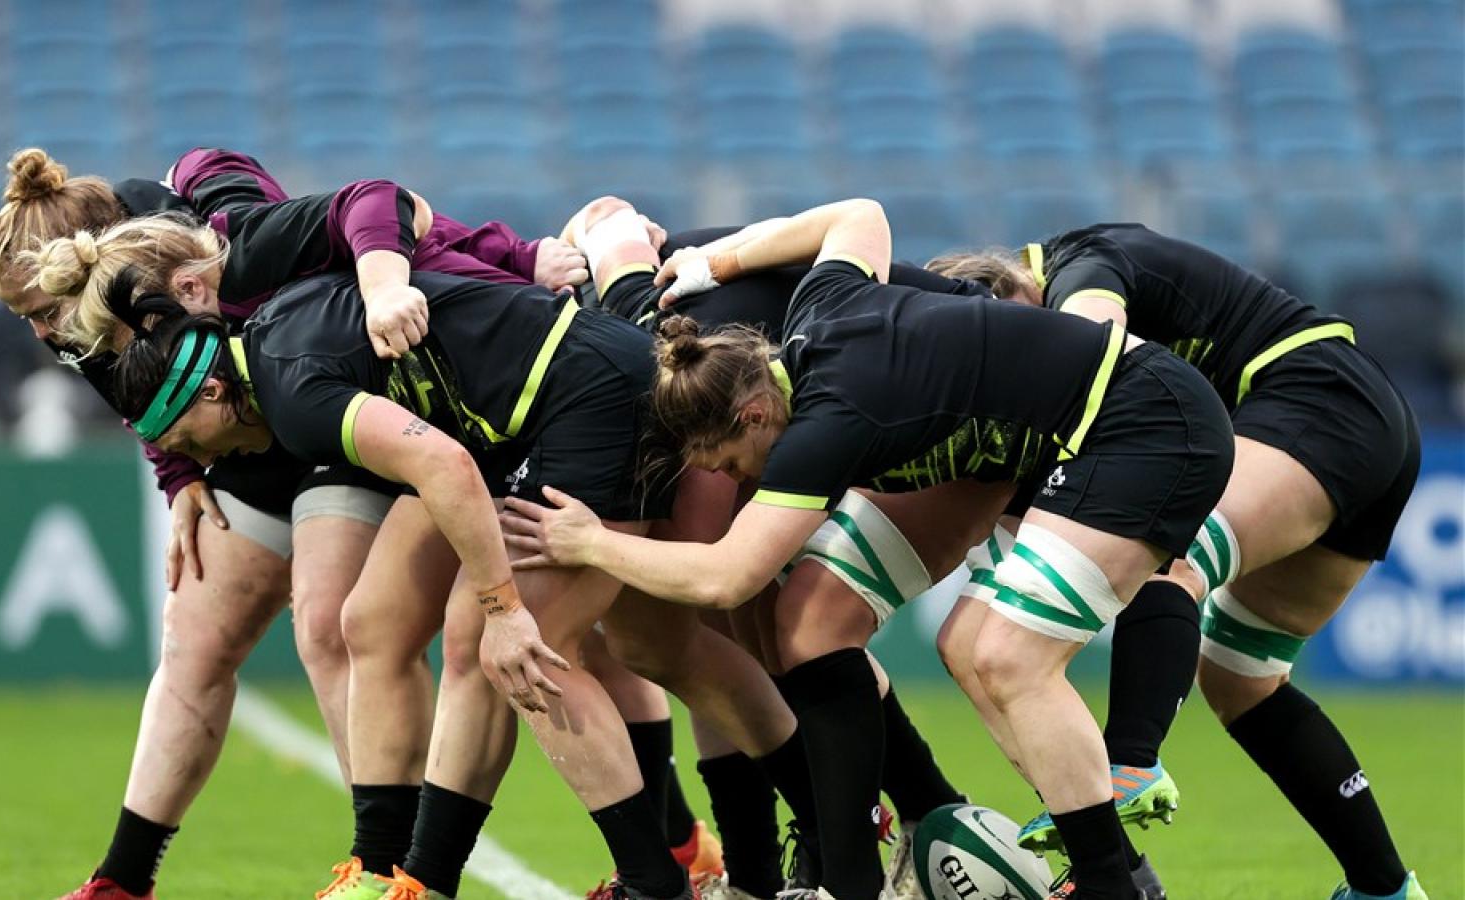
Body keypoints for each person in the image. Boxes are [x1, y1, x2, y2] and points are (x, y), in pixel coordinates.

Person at [50, 210, 815, 899]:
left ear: (212, 395)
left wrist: (506, 609)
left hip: (588, 399)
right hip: (524, 420)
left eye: (189, 443)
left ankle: (658, 883)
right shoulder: (271, 340)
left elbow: (442, 463)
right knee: (376, 619)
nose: (203, 462)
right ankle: (411, 879)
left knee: (528, 651)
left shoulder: (291, 395)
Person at [503, 199, 1235, 900]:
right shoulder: (815, 320)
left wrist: (592, 542)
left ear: (754, 412)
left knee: (1006, 656)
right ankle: (855, 877)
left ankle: (1111, 880)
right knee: (839, 627)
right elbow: (860, 216)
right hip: (1025, 441)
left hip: (1141, 421)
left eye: (723, 458)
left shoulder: (828, 422)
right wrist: (720, 263)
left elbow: (725, 578)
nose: (728, 477)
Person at [0, 147, 591, 900]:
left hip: (336, 413)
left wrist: (516, 256)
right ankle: (122, 882)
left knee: (333, 624)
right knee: (194, 636)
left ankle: (389, 869)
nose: (42, 334)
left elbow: (388, 214)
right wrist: (181, 476)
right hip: (245, 443)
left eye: (41, 313)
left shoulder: (220, 225)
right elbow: (137, 398)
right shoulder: (87, 320)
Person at [930, 225, 1430, 900]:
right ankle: (1384, 888)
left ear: (1020, 288)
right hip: (1359, 428)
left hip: (1315, 396)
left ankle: (1129, 763)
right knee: (1241, 677)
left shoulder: (1081, 267)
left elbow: (1089, 358)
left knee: (1169, 546)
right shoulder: (1070, 280)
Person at [587, 214, 1003, 899]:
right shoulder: (655, 342)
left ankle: (862, 844)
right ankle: (834, 846)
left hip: (957, 411)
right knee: (742, 635)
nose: (709, 467)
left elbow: (609, 220)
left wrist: (718, 260)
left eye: (710, 457)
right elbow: (606, 225)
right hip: (872, 389)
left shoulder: (663, 358)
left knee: (802, 625)